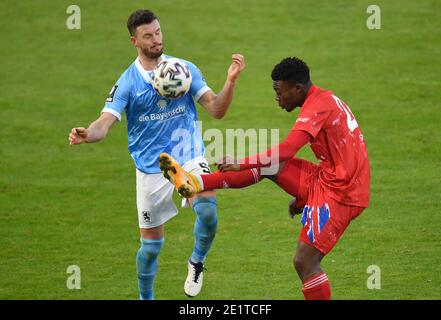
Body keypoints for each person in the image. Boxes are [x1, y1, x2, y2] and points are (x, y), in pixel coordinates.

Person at [68, 9, 245, 299]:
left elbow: (216, 109)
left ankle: (197, 261)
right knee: (151, 248)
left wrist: (231, 81)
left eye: (158, 32)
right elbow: (103, 124)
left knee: (208, 211)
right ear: (134, 41)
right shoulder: (127, 82)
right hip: (151, 169)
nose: (156, 39)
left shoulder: (183, 70)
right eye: (148, 36)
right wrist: (87, 134)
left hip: (187, 155)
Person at [159, 57, 370, 300]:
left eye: (279, 92)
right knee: (270, 166)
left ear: (297, 89)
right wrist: (304, 198)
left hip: (342, 195)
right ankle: (196, 183)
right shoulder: (324, 99)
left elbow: (289, 148)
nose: (277, 98)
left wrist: (241, 162)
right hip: (328, 179)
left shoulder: (318, 107)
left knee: (305, 261)